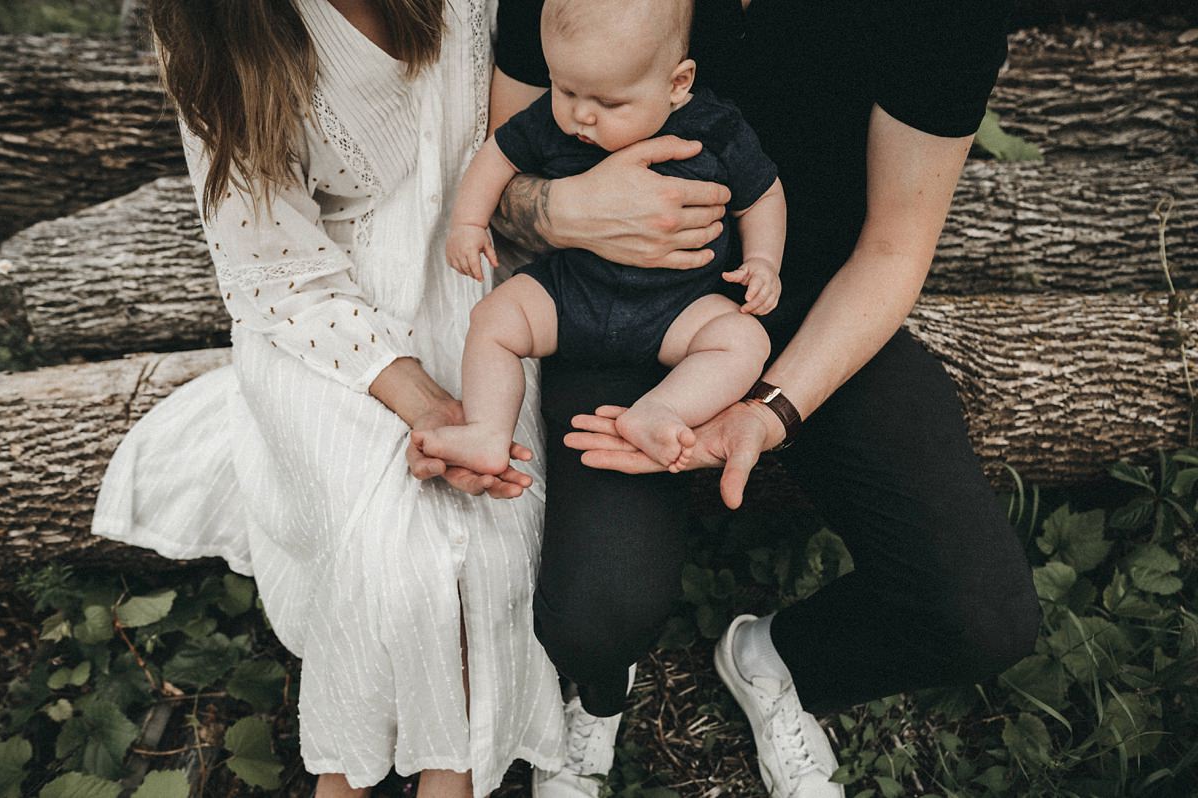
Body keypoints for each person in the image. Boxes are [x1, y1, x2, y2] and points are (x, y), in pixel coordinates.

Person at [462, 0, 1043, 795]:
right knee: (596, 615)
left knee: (980, 615)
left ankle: (775, 660)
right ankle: (599, 690)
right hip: (604, 294)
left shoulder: (939, 15)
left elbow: (893, 249)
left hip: (801, 304)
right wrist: (567, 212)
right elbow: (506, 172)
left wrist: (771, 406)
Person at [90, 1, 566, 796]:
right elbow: (276, 270)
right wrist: (426, 406)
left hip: (478, 287)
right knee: (397, 562)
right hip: (322, 315)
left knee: (476, 551)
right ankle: (349, 781)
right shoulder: (214, 28)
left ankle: (441, 782)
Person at [420, 0, 783, 478]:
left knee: (743, 340)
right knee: (493, 320)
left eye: (609, 103)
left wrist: (762, 260)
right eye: (565, 89)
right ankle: (487, 430)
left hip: (677, 309)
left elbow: (760, 195)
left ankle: (661, 409)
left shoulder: (716, 127)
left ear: (678, 83)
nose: (581, 117)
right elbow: (498, 155)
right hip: (569, 293)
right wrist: (468, 223)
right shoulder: (552, 120)